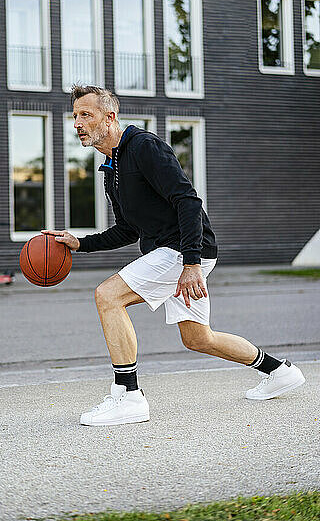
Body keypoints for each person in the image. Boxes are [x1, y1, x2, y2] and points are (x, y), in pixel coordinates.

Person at [42, 85, 305, 427]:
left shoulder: (143, 146)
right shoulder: (112, 169)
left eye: (86, 115)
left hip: (182, 250)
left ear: (110, 117)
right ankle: (279, 371)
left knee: (108, 296)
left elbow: (188, 201)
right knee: (198, 338)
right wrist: (80, 243)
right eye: (75, 116)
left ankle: (128, 395)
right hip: (176, 252)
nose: (77, 122)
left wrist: (191, 263)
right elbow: (127, 230)